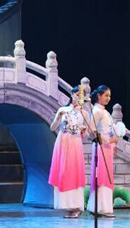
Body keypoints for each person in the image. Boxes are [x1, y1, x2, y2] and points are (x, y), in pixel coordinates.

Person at [48, 86, 90, 218]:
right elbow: (52, 127)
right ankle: (68, 207)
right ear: (72, 94)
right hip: (62, 142)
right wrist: (57, 118)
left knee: (74, 172)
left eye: (81, 95)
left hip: (75, 143)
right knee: (63, 172)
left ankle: (76, 206)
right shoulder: (63, 110)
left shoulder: (84, 113)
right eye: (77, 94)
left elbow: (87, 134)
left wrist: (84, 131)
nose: (79, 97)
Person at [86, 85, 118, 218]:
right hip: (101, 147)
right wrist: (107, 140)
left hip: (107, 147)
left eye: (109, 96)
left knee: (106, 176)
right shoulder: (97, 111)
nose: (108, 98)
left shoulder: (105, 111)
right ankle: (99, 207)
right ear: (99, 96)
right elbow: (91, 131)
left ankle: (101, 207)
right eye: (106, 95)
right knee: (101, 176)